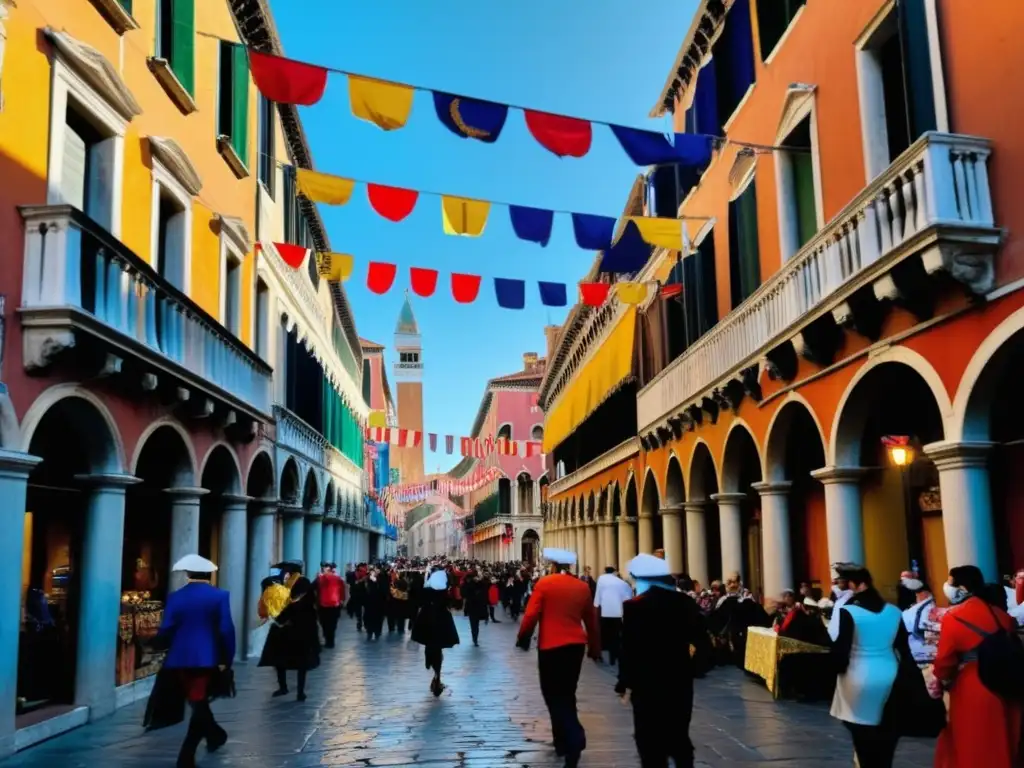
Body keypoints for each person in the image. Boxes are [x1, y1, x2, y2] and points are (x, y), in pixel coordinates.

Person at [616, 554, 711, 768]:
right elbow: (703, 643)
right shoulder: (686, 603)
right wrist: (694, 669)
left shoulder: (634, 607)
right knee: (679, 733)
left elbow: (628, 649)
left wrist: (624, 682)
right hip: (678, 679)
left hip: (645, 683)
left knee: (648, 736)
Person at [143, 554, 234, 768]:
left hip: (179, 657)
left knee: (197, 699)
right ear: (209, 575)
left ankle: (215, 735)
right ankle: (187, 754)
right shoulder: (220, 596)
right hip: (207, 656)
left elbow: (166, 628)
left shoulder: (175, 597)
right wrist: (227, 657)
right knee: (198, 700)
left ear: (188, 574)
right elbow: (226, 630)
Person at [516, 548, 601, 768]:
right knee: (567, 692)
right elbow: (591, 620)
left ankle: (574, 735)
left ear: (552, 565)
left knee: (552, 694)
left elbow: (531, 614)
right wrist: (595, 647)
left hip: (550, 646)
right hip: (575, 646)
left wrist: (523, 637)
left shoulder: (544, 584)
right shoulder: (582, 587)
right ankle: (561, 740)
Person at [932, 564, 1024, 767]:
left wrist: (941, 680)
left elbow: (944, 662)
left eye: (950, 582)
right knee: (1005, 743)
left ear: (962, 587)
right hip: (1007, 683)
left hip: (973, 686)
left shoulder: (954, 617)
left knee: (974, 746)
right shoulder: (1001, 615)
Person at [829, 564, 916, 767]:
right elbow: (904, 649)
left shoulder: (849, 611)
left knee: (863, 739)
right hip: (889, 674)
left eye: (846, 584)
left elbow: (842, 651)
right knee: (886, 738)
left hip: (857, 677)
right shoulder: (894, 611)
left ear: (856, 585)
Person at [258, 561, 320, 701]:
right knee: (298, 661)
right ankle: (298, 691)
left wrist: (280, 619)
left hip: (289, 627)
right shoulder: (300, 584)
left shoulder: (291, 584)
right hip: (301, 627)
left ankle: (286, 687)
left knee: (281, 659)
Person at [411, 569, 460, 696]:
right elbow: (451, 603)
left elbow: (418, 601)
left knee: (429, 644)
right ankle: (437, 674)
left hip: (426, 621)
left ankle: (431, 664)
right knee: (438, 648)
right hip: (441, 623)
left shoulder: (426, 590)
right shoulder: (443, 592)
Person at [593, 566, 633, 666]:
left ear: (605, 571)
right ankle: (615, 652)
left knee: (606, 631)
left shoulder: (601, 579)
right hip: (617, 612)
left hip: (605, 611)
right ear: (614, 572)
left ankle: (607, 648)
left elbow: (598, 593)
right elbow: (628, 595)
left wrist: (596, 604)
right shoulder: (621, 582)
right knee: (616, 633)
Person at [899, 575, 937, 664]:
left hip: (922, 656)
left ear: (924, 593)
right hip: (924, 654)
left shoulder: (926, 609)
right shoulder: (923, 608)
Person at [313, 562, 344, 649]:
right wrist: (342, 600)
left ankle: (328, 640)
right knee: (332, 624)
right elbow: (342, 590)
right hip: (335, 605)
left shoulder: (320, 578)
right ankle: (330, 641)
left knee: (324, 623)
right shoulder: (338, 578)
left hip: (323, 605)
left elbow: (312, 587)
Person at [463, 570, 489, 645]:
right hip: (474, 608)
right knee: (475, 625)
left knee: (474, 625)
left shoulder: (481, 585)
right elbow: (465, 594)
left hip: (475, 608)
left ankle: (475, 638)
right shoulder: (470, 585)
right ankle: (475, 639)